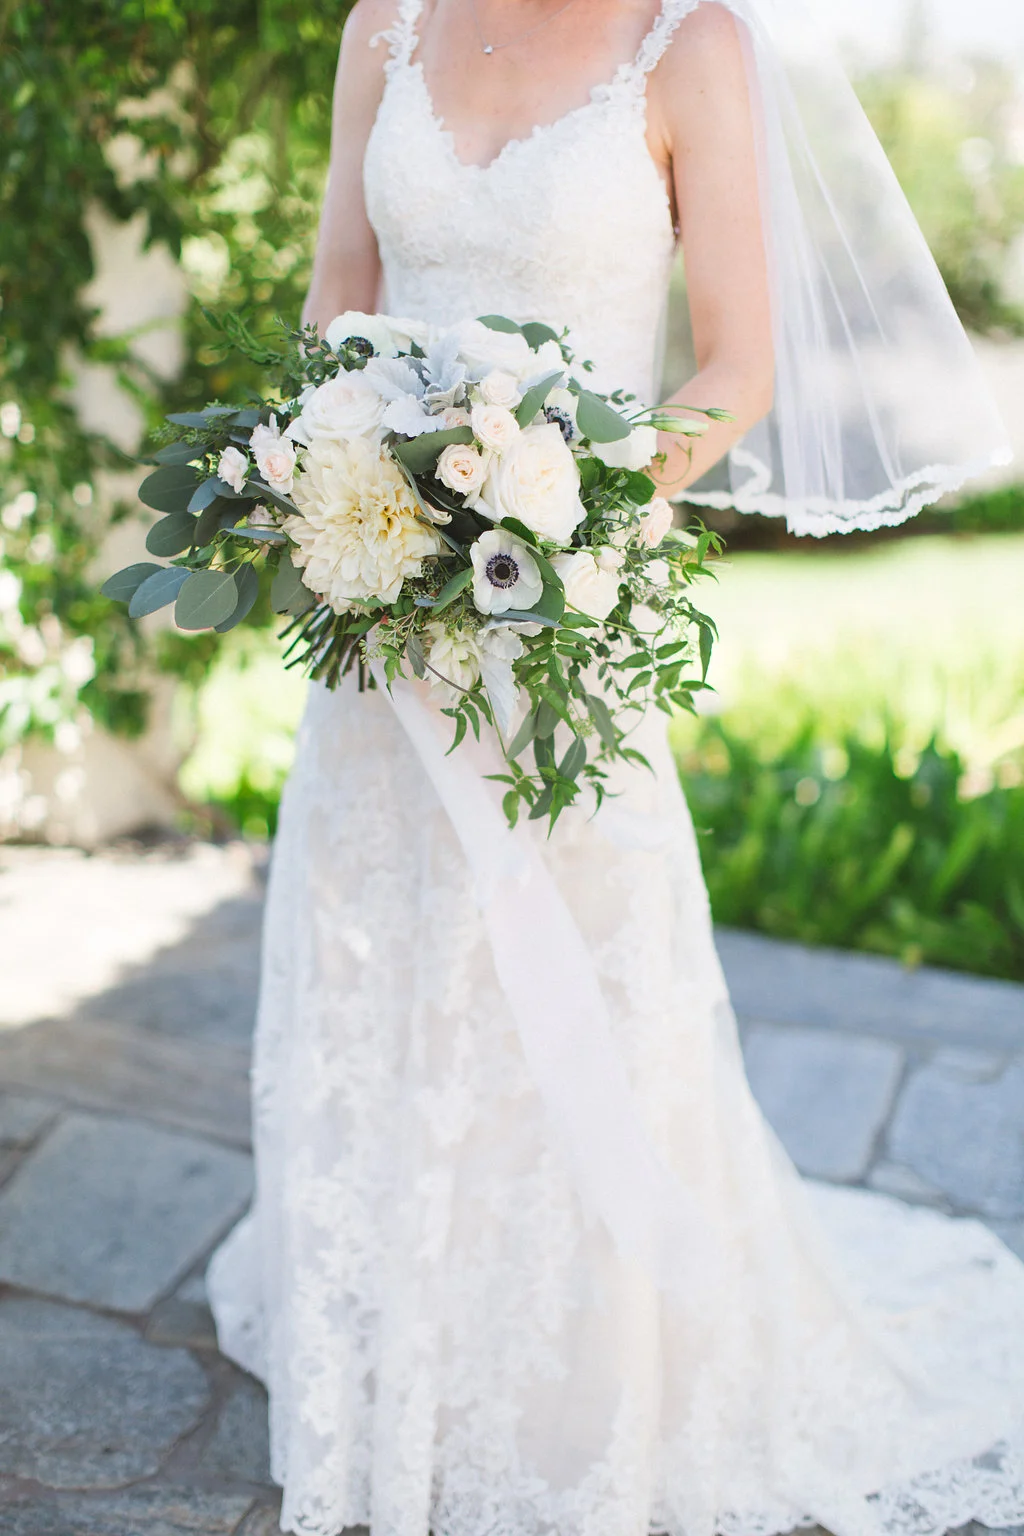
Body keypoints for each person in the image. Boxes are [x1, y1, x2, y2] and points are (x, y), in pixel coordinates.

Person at [207, 3, 1024, 1534]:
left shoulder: (689, 47)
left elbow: (737, 368)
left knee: (578, 976)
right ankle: (395, 1335)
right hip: (383, 614)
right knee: (377, 959)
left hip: (568, 622)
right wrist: (336, 465)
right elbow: (341, 285)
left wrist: (551, 502)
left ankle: (577, 1376)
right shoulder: (385, 24)